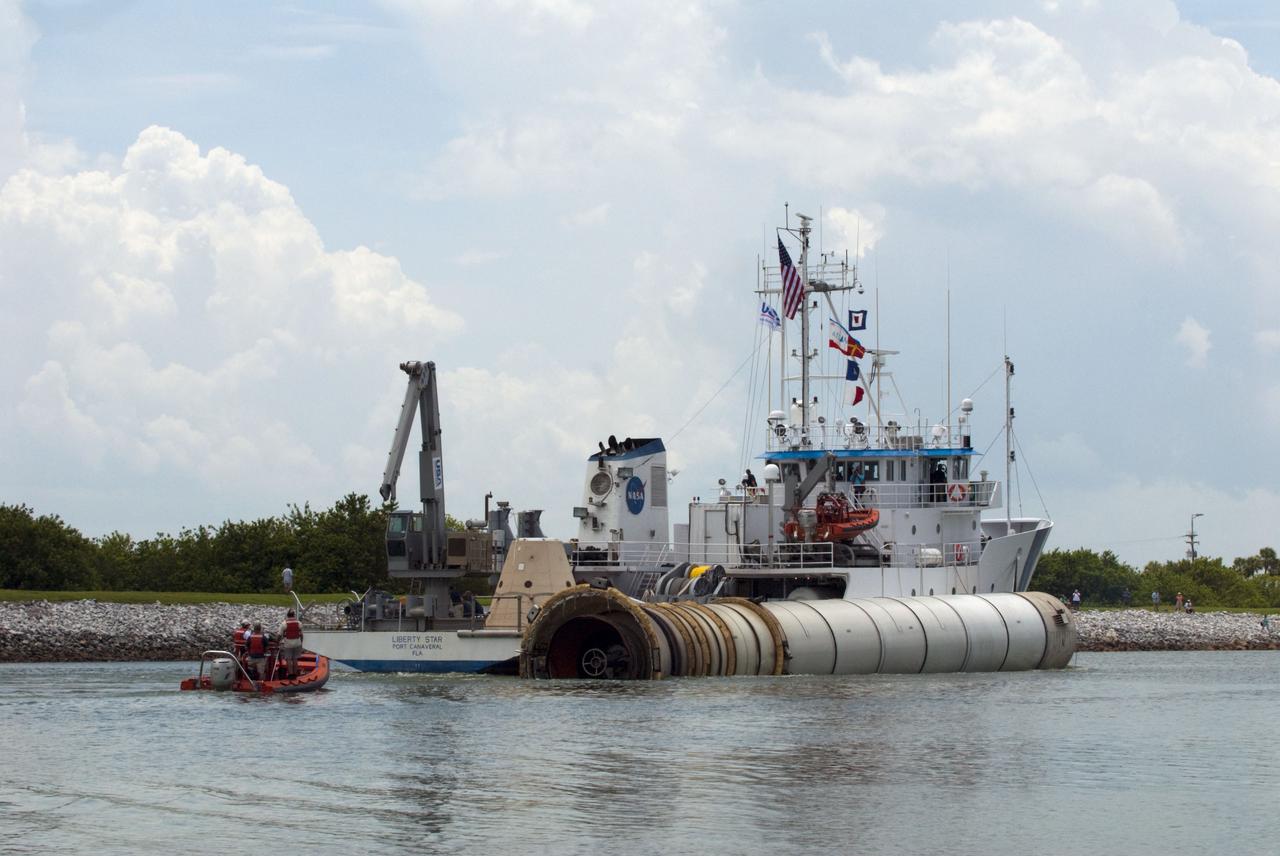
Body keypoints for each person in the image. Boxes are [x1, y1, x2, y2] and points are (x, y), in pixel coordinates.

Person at [277, 610, 304, 679]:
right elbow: (301, 635)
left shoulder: (284, 624)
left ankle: (290, 674)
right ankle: (295, 674)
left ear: (287, 615)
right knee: (295, 659)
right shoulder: (299, 623)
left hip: (288, 644)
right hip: (297, 643)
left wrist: (277, 641)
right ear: (294, 615)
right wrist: (301, 642)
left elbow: (279, 635)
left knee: (288, 659)